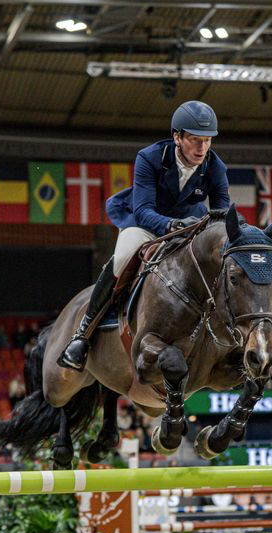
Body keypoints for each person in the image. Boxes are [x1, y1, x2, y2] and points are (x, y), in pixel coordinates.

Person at [58, 100, 230, 370]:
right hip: (147, 223)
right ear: (177, 136)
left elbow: (221, 214)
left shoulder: (215, 167)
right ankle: (83, 334)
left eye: (207, 141)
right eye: (195, 140)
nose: (202, 148)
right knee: (123, 256)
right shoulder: (149, 157)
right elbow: (143, 210)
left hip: (189, 226)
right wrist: (171, 226)